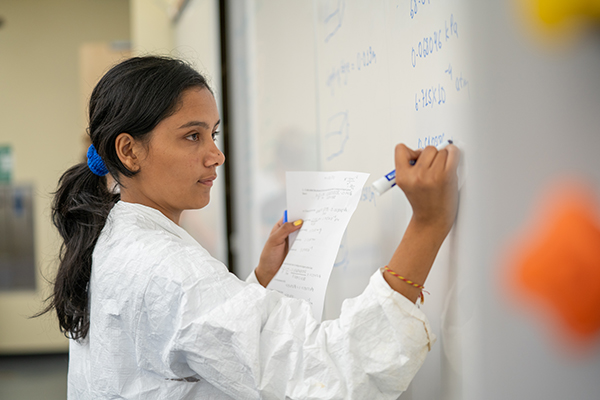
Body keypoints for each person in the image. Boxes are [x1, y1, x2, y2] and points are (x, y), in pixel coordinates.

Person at [39, 56, 460, 399]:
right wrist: (428, 224)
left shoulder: (114, 236)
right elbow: (332, 378)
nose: (216, 155)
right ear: (129, 150)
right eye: (192, 137)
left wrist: (258, 282)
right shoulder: (167, 270)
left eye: (214, 134)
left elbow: (183, 350)